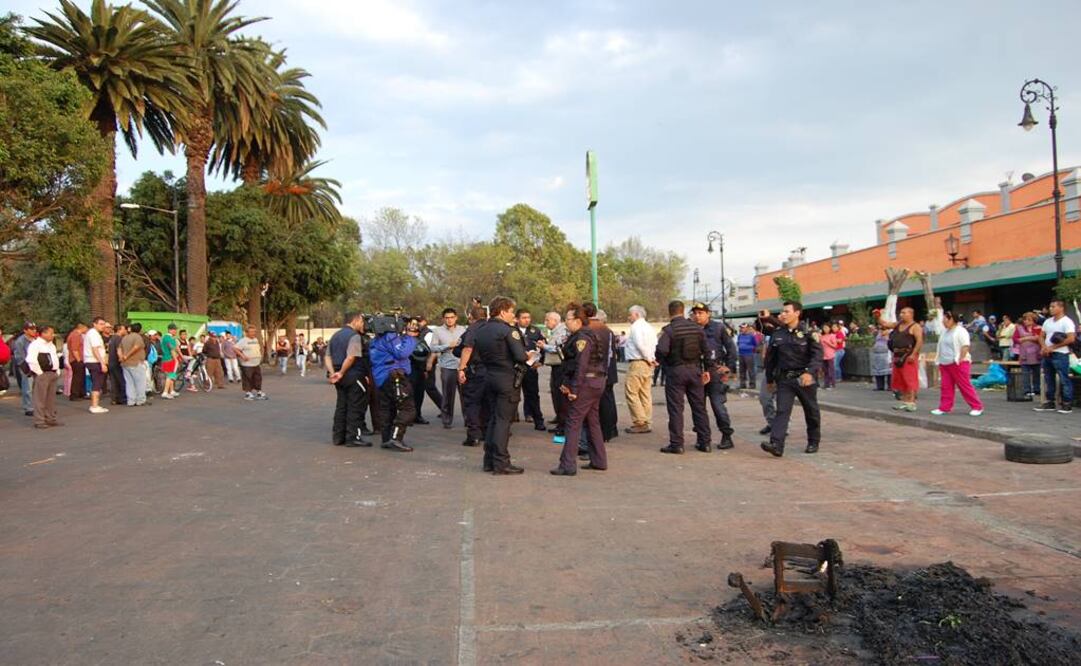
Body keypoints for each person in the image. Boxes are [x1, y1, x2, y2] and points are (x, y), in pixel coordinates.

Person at [551, 303, 609, 476]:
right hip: (595, 381)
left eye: (568, 319)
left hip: (586, 383)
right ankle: (599, 460)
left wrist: (574, 389)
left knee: (573, 422)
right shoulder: (590, 334)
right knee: (592, 421)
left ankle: (567, 464)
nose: (566, 322)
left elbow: (581, 364)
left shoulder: (582, 338)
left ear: (577, 320)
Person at [472, 296, 528, 474]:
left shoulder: (481, 330)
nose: (513, 315)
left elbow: (476, 355)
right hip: (507, 378)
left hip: (489, 376)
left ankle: (489, 460)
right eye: (511, 312)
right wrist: (530, 356)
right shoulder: (508, 331)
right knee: (503, 421)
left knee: (493, 419)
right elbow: (520, 356)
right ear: (503, 312)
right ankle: (501, 462)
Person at [760, 301, 823, 457]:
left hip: (804, 378)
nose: (783, 314)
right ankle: (776, 444)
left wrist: (810, 372)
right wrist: (770, 379)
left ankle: (813, 441)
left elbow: (817, 355)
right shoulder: (778, 333)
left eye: (787, 311)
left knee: (811, 411)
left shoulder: (809, 332)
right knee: (782, 411)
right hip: (785, 379)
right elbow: (771, 359)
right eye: (783, 311)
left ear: (797, 313)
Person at [656, 300, 713, 454]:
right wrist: (707, 369)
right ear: (683, 311)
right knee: (699, 407)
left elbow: (661, 350)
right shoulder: (697, 329)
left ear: (670, 312)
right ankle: (705, 442)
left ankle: (677, 444)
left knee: (676, 408)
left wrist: (660, 361)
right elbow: (707, 351)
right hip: (695, 371)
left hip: (676, 371)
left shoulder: (669, 330)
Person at [692, 302, 737, 451]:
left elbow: (731, 348)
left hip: (714, 371)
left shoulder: (718, 328)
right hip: (697, 372)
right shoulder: (691, 328)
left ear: (708, 314)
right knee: (698, 407)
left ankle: (726, 435)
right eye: (695, 313)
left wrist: (728, 368)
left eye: (700, 313)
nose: (697, 316)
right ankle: (702, 438)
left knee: (717, 406)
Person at [370, 316, 418, 451]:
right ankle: (396, 438)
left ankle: (386, 439)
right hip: (395, 376)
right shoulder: (390, 337)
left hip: (381, 379)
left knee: (387, 409)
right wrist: (410, 337)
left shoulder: (375, 340)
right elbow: (403, 353)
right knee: (408, 409)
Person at [326, 313, 372, 447]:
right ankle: (353, 437)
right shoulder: (354, 336)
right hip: (353, 374)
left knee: (341, 405)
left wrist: (333, 373)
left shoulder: (335, 335)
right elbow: (351, 357)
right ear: (356, 320)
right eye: (362, 322)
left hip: (339, 375)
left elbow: (327, 356)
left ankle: (338, 436)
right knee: (355, 406)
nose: (363, 325)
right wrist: (341, 372)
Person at [929, 311, 983, 416]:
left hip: (958, 363)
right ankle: (944, 407)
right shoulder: (944, 331)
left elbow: (965, 346)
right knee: (946, 386)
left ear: (951, 319)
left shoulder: (961, 331)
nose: (943, 321)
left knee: (964, 385)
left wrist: (960, 359)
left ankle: (977, 406)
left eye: (945, 319)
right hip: (945, 363)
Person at [1034, 299, 1075, 414]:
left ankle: (1067, 403)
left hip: (1060, 353)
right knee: (1048, 378)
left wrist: (1053, 347)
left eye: (1053, 307)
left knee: (1064, 378)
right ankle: (1050, 401)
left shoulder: (1067, 321)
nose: (1050, 309)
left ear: (1061, 308)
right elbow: (1041, 336)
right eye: (1050, 307)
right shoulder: (1048, 321)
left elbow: (1071, 338)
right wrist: (1044, 347)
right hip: (1047, 354)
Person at [457, 306, 490, 447]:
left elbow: (467, 348)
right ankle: (487, 432)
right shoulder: (493, 328)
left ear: (471, 317)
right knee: (488, 403)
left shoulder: (472, 329)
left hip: (476, 370)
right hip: (492, 370)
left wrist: (461, 368)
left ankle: (474, 435)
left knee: (472, 403)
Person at [879, 306, 923, 412]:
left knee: (909, 379)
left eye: (904, 313)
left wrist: (913, 354)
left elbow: (919, 341)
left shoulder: (915, 326)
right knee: (900, 379)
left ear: (911, 314)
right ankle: (905, 401)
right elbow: (885, 324)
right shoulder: (898, 324)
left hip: (908, 355)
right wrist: (878, 317)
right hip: (897, 355)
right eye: (901, 313)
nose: (901, 315)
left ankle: (912, 402)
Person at [430, 308, 467, 429]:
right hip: (447, 366)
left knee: (465, 394)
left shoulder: (463, 330)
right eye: (447, 318)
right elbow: (433, 348)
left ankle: (468, 419)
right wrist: (447, 346)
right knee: (448, 395)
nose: (449, 320)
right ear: (443, 319)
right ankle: (447, 420)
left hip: (461, 366)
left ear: (456, 318)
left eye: (451, 317)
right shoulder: (438, 331)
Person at [623, 304, 657, 434]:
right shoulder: (649, 327)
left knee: (631, 392)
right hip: (647, 362)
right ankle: (647, 420)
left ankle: (640, 421)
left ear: (636, 314)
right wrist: (651, 358)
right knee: (645, 393)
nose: (629, 317)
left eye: (630, 314)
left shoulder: (636, 327)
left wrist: (648, 358)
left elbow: (639, 344)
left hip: (638, 361)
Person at [515, 309, 547, 430]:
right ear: (517, 319)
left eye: (528, 317)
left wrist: (541, 361)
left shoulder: (535, 331)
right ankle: (512, 417)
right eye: (523, 318)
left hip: (530, 367)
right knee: (512, 395)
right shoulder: (512, 330)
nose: (527, 320)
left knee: (533, 395)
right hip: (515, 367)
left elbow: (543, 346)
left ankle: (538, 420)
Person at [26, 325, 61, 428]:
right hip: (43, 374)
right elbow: (31, 360)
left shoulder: (51, 345)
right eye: (50, 333)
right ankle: (40, 421)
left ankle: (50, 418)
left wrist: (57, 371)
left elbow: (54, 358)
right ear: (43, 333)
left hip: (52, 373)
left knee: (51, 399)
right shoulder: (36, 344)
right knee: (40, 399)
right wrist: (39, 372)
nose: (52, 335)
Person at [409, 316, 442, 425]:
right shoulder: (405, 339)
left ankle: (417, 415)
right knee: (411, 393)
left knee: (421, 392)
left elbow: (430, 351)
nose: (415, 326)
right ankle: (410, 415)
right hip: (410, 369)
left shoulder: (426, 336)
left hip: (422, 368)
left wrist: (428, 366)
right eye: (412, 324)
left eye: (418, 323)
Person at [542, 311, 570, 435]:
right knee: (555, 393)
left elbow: (559, 348)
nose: (545, 322)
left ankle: (562, 423)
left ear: (555, 320)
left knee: (560, 395)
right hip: (555, 366)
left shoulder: (562, 331)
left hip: (560, 366)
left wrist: (544, 346)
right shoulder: (555, 331)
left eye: (547, 320)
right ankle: (559, 418)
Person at [118, 322, 149, 407]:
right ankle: (140, 400)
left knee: (129, 383)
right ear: (140, 329)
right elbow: (136, 347)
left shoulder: (125, 337)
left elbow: (119, 348)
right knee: (140, 382)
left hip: (125, 363)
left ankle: (131, 400)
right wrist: (127, 356)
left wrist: (121, 357)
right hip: (135, 362)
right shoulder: (137, 337)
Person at [84, 317, 110, 414]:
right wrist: (102, 363)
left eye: (104, 324)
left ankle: (95, 404)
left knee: (97, 383)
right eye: (101, 324)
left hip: (93, 361)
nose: (103, 326)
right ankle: (94, 405)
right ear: (94, 324)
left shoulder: (94, 334)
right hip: (94, 361)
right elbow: (95, 350)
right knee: (97, 383)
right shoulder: (93, 334)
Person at [12, 322, 39, 416]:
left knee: (38, 388)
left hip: (37, 366)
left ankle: (38, 406)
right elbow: (19, 357)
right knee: (28, 388)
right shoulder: (20, 341)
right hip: (26, 367)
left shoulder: (36, 340)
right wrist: (26, 369)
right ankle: (28, 407)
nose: (34, 330)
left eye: (35, 328)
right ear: (25, 330)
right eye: (31, 329)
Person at [1014, 312, 1042, 399]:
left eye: (1029, 320)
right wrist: (1030, 338)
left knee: (1036, 373)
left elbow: (1039, 338)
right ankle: (1027, 390)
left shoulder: (1038, 328)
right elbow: (1015, 339)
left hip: (1036, 353)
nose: (1026, 321)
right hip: (1024, 354)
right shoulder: (1019, 328)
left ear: (1034, 321)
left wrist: (1025, 338)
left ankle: (1037, 389)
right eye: (1025, 320)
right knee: (1025, 373)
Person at [235, 326, 268, 400]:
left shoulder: (255, 339)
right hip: (247, 364)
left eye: (254, 332)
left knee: (258, 378)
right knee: (248, 378)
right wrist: (243, 356)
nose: (253, 333)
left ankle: (259, 393)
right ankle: (248, 394)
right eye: (251, 332)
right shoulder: (243, 340)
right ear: (247, 333)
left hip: (256, 363)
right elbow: (235, 348)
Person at [65, 323, 88, 401]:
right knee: (77, 378)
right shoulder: (75, 335)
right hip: (76, 359)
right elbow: (74, 349)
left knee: (81, 377)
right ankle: (74, 395)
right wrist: (79, 360)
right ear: (82, 327)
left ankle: (81, 393)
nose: (87, 330)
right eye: (86, 328)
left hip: (77, 359)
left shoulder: (76, 335)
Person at [106, 323, 126, 405]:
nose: (125, 330)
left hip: (111, 362)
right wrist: (121, 359)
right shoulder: (118, 338)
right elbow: (119, 349)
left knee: (114, 381)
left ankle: (114, 398)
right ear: (119, 330)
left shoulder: (112, 338)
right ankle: (122, 398)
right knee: (121, 381)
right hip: (117, 362)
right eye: (123, 329)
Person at [160, 324, 180, 399]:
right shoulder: (170, 339)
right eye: (174, 329)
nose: (175, 331)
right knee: (170, 376)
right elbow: (172, 349)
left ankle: (171, 391)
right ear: (169, 330)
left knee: (170, 375)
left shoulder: (164, 337)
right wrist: (176, 359)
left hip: (165, 358)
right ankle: (165, 392)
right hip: (170, 359)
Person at [737, 323, 759, 389]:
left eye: (743, 328)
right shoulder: (740, 336)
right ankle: (742, 384)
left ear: (747, 328)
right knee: (742, 370)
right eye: (741, 328)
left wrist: (751, 350)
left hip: (749, 354)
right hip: (741, 354)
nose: (741, 329)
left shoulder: (752, 336)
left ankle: (752, 384)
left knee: (750, 370)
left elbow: (756, 344)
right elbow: (738, 343)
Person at [871, 325, 893, 391]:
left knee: (889, 371)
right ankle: (880, 386)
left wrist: (886, 335)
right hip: (877, 355)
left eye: (883, 329)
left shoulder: (890, 334)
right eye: (881, 329)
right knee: (878, 371)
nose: (881, 330)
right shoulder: (878, 334)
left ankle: (890, 386)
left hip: (886, 354)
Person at [819, 324, 838, 389]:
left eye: (827, 328)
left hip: (830, 355)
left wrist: (827, 342)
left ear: (829, 328)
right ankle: (826, 384)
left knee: (831, 370)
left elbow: (835, 346)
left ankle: (832, 383)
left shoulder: (832, 335)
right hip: (823, 355)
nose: (825, 329)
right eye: (824, 328)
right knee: (825, 370)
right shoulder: (822, 336)